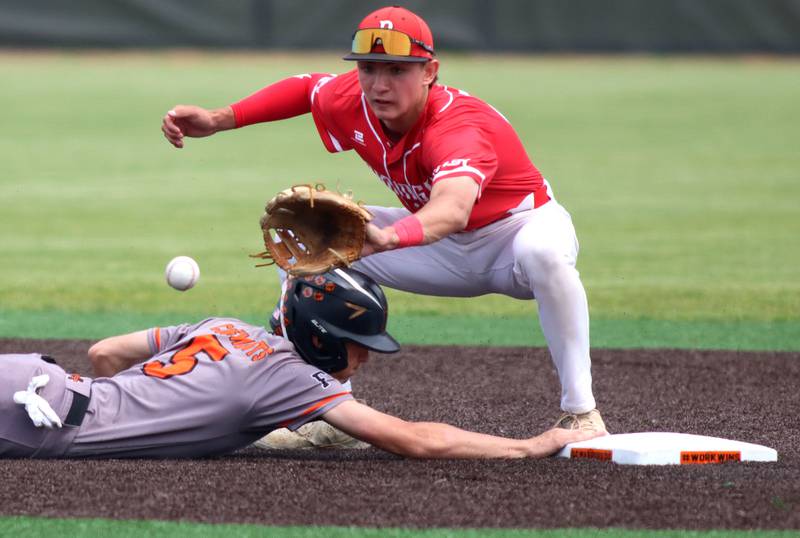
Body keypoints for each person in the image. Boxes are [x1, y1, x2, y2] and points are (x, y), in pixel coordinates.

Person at [160, 6, 606, 446]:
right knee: (307, 244)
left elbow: (452, 209)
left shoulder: (460, 126)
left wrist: (389, 239)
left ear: (429, 71)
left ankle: (582, 414)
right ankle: (325, 412)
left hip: (514, 235)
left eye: (397, 69)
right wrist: (219, 119)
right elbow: (306, 89)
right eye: (369, 69)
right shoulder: (354, 99)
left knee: (544, 255)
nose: (379, 84)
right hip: (437, 246)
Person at [1, 269, 599, 459]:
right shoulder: (292, 379)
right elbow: (414, 441)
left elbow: (105, 353)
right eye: (357, 343)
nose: (364, 358)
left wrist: (141, 406)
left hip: (39, 383)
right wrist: (528, 445)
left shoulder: (221, 327)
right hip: (34, 420)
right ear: (321, 340)